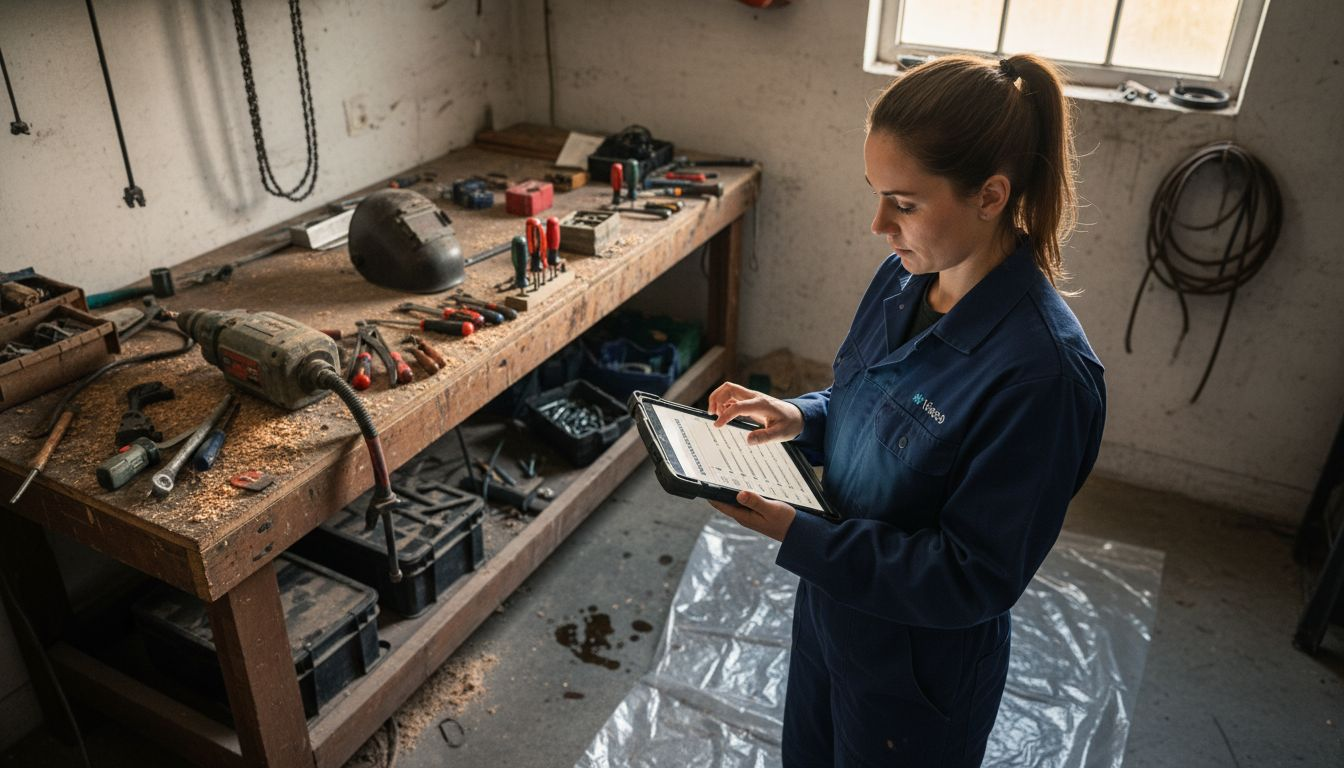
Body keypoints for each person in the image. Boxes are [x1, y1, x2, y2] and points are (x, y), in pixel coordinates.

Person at [706, 53, 1106, 767]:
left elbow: (972, 575)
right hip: (834, 611)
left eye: (905, 202)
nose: (878, 224)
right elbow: (868, 402)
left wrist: (801, 534)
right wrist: (801, 417)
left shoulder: (1042, 376)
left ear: (990, 196)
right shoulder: (904, 279)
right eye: (876, 193)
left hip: (917, 673)